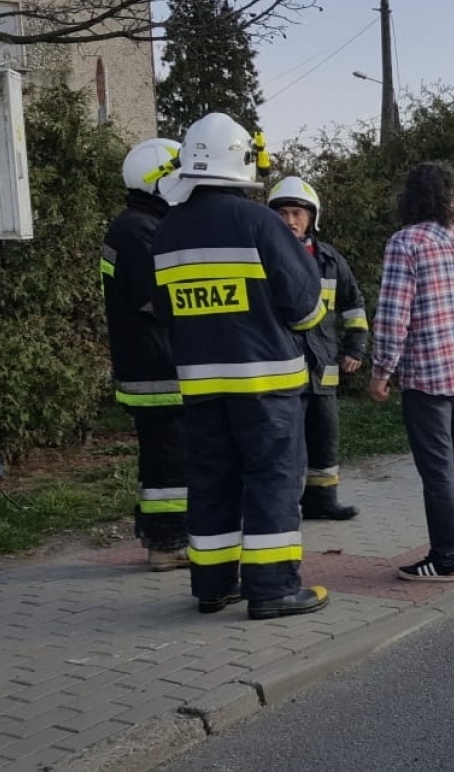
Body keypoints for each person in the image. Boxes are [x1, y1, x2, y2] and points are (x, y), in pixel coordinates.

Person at [151, 113, 330, 620]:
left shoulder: (167, 232)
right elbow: (305, 304)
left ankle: (212, 586)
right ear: (240, 162)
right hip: (267, 384)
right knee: (273, 481)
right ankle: (273, 590)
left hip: (201, 386)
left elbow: (164, 311)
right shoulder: (261, 223)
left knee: (211, 480)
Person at [369, 162, 454, 582]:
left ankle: (445, 560)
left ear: (410, 197)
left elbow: (392, 315)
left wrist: (381, 370)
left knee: (438, 470)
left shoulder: (406, 243)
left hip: (426, 374)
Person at [102, 137, 189, 573]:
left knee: (165, 457)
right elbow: (163, 298)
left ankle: (167, 536)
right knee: (169, 458)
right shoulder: (139, 230)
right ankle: (167, 544)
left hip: (150, 363)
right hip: (156, 366)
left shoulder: (136, 224)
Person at [266, 176, 368, 522]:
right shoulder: (261, 257)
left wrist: (355, 348)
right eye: (282, 214)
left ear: (312, 217)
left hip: (322, 366)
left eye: (297, 213)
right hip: (282, 366)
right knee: (285, 442)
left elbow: (353, 306)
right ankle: (283, 506)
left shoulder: (329, 259)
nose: (290, 220)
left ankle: (322, 502)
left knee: (324, 437)